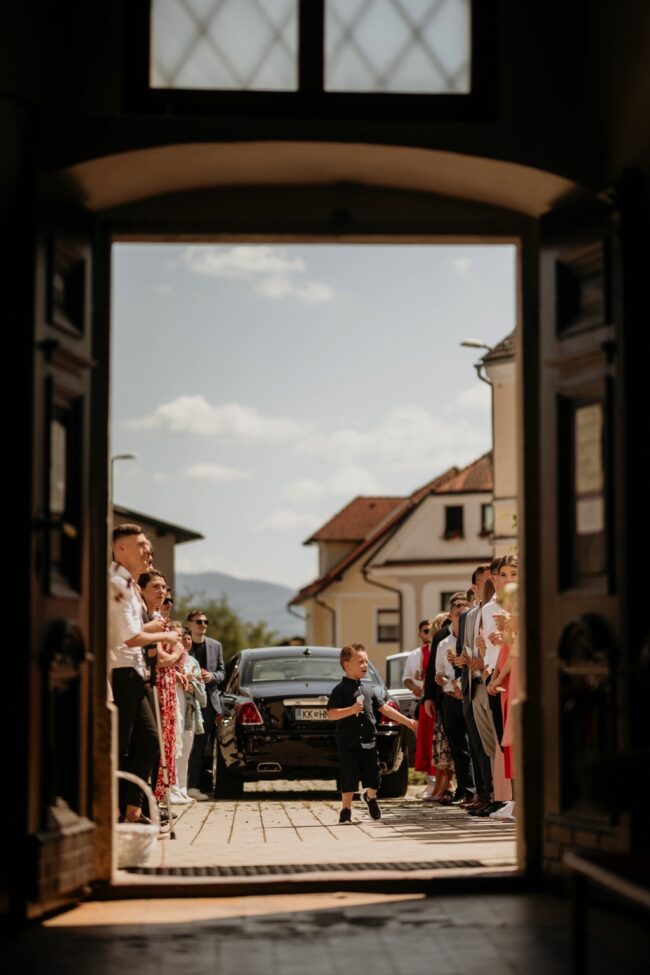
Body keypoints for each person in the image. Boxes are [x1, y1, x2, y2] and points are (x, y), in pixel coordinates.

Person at [109, 525, 180, 824]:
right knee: (125, 747)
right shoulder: (117, 583)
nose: (147, 549)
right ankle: (118, 811)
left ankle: (133, 810)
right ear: (120, 549)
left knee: (147, 742)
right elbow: (129, 637)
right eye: (140, 545)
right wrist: (166, 636)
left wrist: (152, 628)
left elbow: (133, 631)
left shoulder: (129, 585)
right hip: (122, 672)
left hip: (134, 673)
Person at [327, 643, 416, 824]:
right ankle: (346, 810)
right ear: (347, 666)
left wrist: (407, 721)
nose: (365, 665)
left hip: (369, 741)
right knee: (349, 776)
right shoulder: (340, 690)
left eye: (366, 662)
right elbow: (331, 714)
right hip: (348, 742)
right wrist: (351, 710)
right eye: (360, 662)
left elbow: (385, 709)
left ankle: (370, 797)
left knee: (374, 776)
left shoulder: (370, 689)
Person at [186, 609, 225, 799]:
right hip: (187, 699)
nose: (203, 625)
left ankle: (194, 786)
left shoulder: (215, 645)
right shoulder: (183, 645)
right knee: (188, 743)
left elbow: (222, 672)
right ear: (189, 624)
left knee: (201, 746)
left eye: (205, 622)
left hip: (209, 702)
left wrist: (211, 676)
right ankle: (185, 785)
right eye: (199, 621)